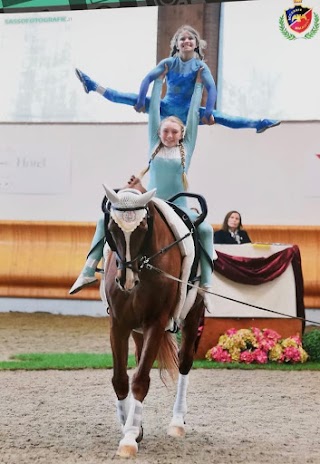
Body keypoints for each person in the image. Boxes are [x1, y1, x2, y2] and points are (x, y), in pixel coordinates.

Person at [70, 66, 216, 311]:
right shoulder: (154, 144)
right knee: (104, 219)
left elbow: (192, 114)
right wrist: (158, 82)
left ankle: (206, 286)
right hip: (153, 202)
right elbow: (155, 115)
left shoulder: (186, 148)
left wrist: (199, 86)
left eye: (174, 132)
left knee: (207, 230)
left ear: (182, 135)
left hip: (178, 204)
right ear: (159, 133)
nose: (169, 135)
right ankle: (88, 268)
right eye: (165, 131)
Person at [75, 25, 280, 134]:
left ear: (196, 44)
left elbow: (212, 89)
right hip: (165, 108)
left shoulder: (200, 66)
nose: (187, 41)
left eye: (190, 38)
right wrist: (139, 100)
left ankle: (258, 123)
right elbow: (147, 79)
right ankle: (93, 86)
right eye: (183, 39)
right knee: (124, 97)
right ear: (177, 44)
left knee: (224, 118)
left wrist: (208, 113)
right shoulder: (169, 62)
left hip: (189, 112)